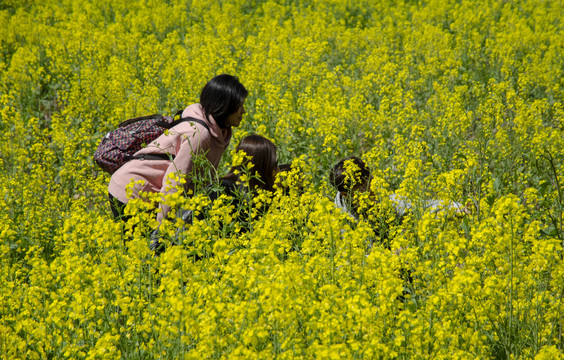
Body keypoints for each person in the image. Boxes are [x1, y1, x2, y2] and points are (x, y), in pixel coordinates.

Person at [108, 74, 248, 221]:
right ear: (225, 106)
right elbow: (175, 183)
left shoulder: (221, 130)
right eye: (240, 106)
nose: (244, 111)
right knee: (144, 243)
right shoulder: (199, 135)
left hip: (153, 194)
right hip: (132, 192)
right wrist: (162, 229)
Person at [151, 134, 278, 254]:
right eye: (274, 165)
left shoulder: (249, 194)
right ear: (261, 167)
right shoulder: (224, 192)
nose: (277, 171)